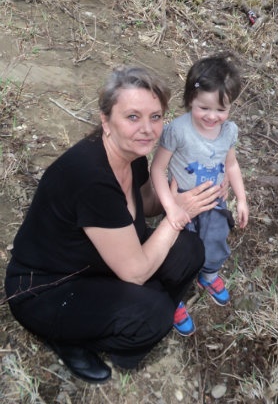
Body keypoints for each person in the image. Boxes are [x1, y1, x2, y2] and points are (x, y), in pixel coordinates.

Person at [4, 66, 225, 383]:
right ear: (106, 120)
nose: (147, 129)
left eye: (155, 117)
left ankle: (143, 306)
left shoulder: (131, 154)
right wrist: (176, 218)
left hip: (95, 263)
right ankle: (71, 338)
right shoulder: (91, 178)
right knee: (152, 315)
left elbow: (146, 205)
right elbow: (134, 271)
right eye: (133, 117)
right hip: (46, 289)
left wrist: (181, 189)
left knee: (190, 249)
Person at [151, 54, 249, 326]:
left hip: (214, 201)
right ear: (190, 100)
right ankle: (173, 296)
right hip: (182, 201)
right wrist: (170, 205)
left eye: (221, 109)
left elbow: (231, 165)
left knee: (216, 239)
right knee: (178, 252)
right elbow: (158, 169)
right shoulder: (178, 131)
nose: (212, 116)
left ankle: (208, 275)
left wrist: (241, 199)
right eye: (203, 108)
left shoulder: (228, 132)